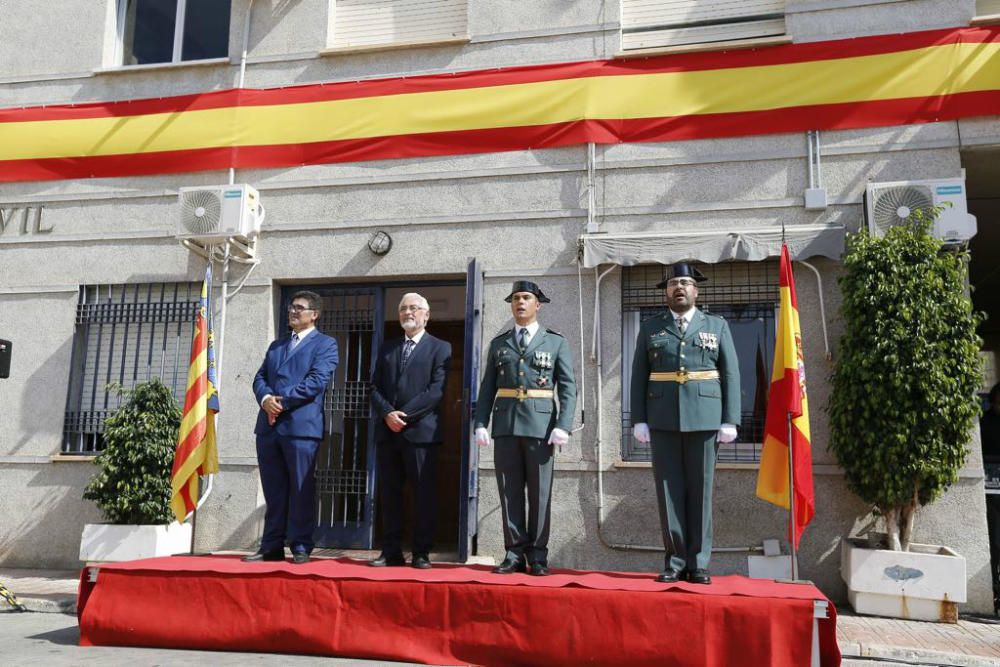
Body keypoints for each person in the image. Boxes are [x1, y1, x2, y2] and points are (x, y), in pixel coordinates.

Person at [630, 263, 740, 584]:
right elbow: (639, 376)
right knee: (669, 493)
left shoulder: (716, 326)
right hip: (662, 420)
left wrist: (730, 418)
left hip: (705, 419)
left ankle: (699, 562)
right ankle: (676, 561)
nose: (679, 287)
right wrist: (639, 419)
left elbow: (731, 373)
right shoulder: (651, 328)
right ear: (666, 292)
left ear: (696, 290)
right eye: (673, 283)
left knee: (701, 492)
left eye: (686, 283)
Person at [474, 280, 577, 576]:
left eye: (526, 298)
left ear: (537, 305)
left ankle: (538, 556)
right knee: (510, 493)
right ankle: (514, 553)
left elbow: (569, 387)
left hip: (542, 427)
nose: (520, 303)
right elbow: (487, 388)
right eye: (516, 298)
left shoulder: (556, 342)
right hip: (505, 425)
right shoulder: (499, 343)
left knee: (540, 493)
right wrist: (481, 423)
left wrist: (564, 426)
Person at [245, 290, 339, 565]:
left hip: (300, 426)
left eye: (299, 308)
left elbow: (317, 381)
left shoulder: (325, 344)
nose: (293, 312)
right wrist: (265, 400)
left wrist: (281, 403)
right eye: (291, 308)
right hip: (269, 428)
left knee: (300, 488)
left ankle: (300, 544)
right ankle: (271, 545)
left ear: (315, 314)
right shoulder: (277, 345)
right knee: (273, 490)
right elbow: (260, 377)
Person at [369, 293, 452, 569]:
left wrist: (403, 415)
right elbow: (374, 387)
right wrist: (386, 413)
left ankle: (421, 552)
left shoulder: (440, 348)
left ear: (426, 314)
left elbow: (436, 391)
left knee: (423, 495)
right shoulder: (387, 347)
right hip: (387, 432)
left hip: (421, 434)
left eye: (414, 308)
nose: (408, 312)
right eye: (403, 308)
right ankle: (390, 551)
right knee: (390, 495)